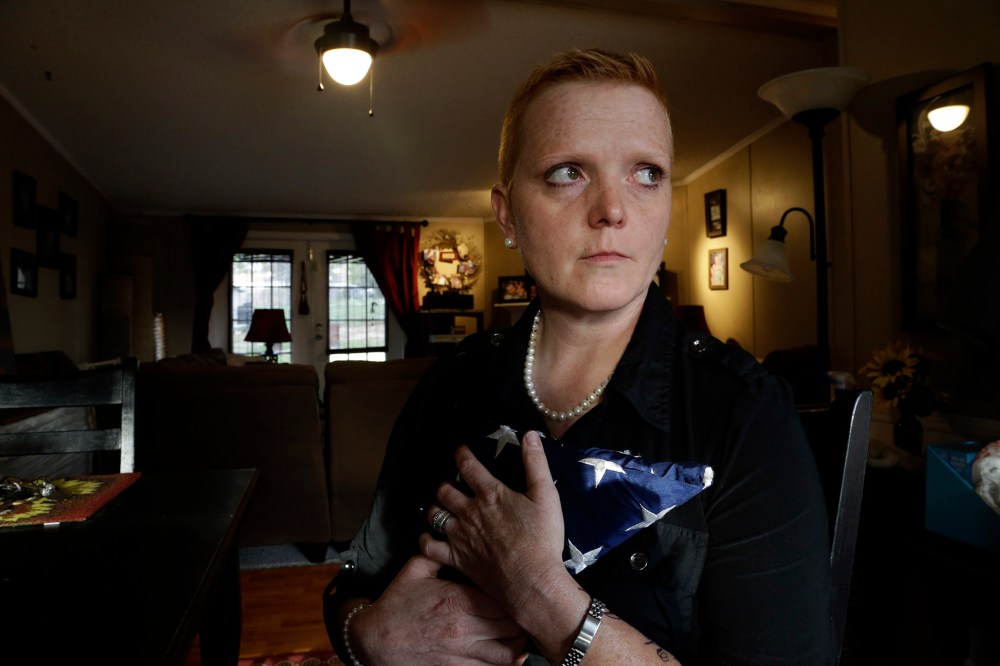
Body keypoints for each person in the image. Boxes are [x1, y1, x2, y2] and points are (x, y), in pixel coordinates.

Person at [323, 48, 834, 665]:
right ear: (508, 215)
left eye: (646, 173)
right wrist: (368, 636)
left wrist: (539, 591)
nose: (613, 210)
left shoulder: (745, 413)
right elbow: (355, 585)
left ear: (667, 211)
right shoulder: (451, 385)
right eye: (568, 172)